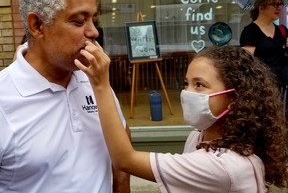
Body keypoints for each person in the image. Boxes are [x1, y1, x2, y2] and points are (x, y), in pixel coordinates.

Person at [75, 43, 288, 192]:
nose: (187, 93)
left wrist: (100, 84)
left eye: (200, 85)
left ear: (233, 98)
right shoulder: (198, 137)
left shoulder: (224, 166)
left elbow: (125, 159)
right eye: (186, 83)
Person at [0, 0, 131, 192]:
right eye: (79, 22)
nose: (94, 32)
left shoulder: (95, 79)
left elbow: (122, 138)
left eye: (93, 20)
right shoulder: (4, 99)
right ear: (37, 26)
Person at [240, 0, 288, 88]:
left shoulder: (282, 30)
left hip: (284, 86)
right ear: (261, 7)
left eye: (280, 4)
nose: (279, 7)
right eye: (274, 4)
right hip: (264, 87)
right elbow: (246, 63)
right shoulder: (250, 31)